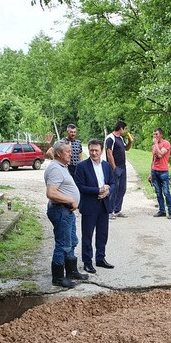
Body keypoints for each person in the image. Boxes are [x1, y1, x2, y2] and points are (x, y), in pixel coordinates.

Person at [45, 139, 88, 288]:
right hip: (60, 210)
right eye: (68, 152)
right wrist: (71, 200)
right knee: (63, 244)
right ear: (58, 154)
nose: (72, 153)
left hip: (66, 211)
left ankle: (71, 272)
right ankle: (57, 277)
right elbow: (51, 192)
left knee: (72, 241)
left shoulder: (61, 166)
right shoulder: (55, 169)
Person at [75, 139, 116, 273]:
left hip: (104, 205)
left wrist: (108, 191)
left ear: (101, 151)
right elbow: (80, 187)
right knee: (87, 235)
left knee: (102, 234)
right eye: (91, 150)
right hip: (89, 205)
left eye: (96, 150)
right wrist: (98, 190)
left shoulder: (106, 165)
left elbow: (113, 183)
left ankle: (100, 258)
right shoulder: (82, 166)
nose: (93, 153)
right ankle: (87, 262)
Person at [105, 120, 133, 219]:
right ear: (120, 128)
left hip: (123, 166)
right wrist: (114, 168)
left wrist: (130, 142)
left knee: (122, 188)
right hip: (114, 167)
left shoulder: (120, 138)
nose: (125, 131)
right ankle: (109, 211)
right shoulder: (110, 138)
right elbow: (109, 154)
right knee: (114, 189)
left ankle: (117, 210)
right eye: (124, 129)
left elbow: (127, 148)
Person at [148, 128, 171, 219]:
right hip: (155, 171)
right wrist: (150, 173)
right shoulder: (153, 146)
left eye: (156, 134)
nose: (155, 136)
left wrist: (155, 144)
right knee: (158, 192)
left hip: (163, 171)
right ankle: (162, 210)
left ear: (161, 135)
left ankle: (170, 211)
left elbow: (160, 154)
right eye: (154, 134)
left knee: (166, 192)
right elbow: (154, 159)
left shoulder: (166, 144)